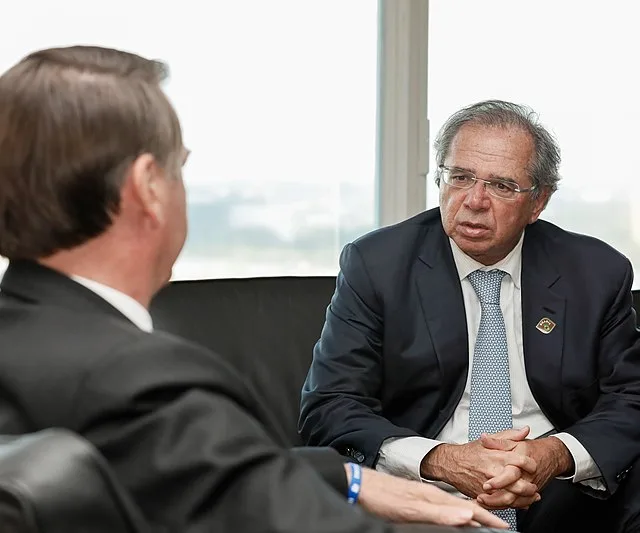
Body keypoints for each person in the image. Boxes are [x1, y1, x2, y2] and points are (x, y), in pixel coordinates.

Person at [0, 46, 508, 533]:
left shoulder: (27, 347)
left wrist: (346, 478)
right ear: (148, 188)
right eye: (180, 166)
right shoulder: (143, 383)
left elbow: (173, 473)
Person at [299, 100, 640, 532]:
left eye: (501, 186)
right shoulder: (377, 265)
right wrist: (442, 460)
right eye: (460, 178)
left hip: (559, 492)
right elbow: (329, 405)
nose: (474, 202)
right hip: (426, 493)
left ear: (538, 202)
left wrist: (553, 455)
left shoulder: (595, 272)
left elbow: (630, 398)